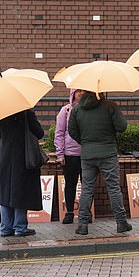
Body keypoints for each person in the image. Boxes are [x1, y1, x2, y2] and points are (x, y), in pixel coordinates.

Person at [69, 91, 132, 235]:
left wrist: (84, 142)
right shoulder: (110, 106)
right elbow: (122, 127)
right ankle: (121, 222)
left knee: (86, 189)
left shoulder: (77, 109)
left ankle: (83, 224)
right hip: (108, 153)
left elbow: (71, 130)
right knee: (113, 188)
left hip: (87, 154)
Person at [0, 109, 44, 237]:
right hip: (23, 156)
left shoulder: (0, 113)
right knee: (20, 190)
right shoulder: (26, 112)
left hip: (6, 156)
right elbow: (39, 133)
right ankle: (20, 227)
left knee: (6, 191)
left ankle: (6, 227)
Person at [54, 89, 85, 224]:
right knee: (70, 185)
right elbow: (59, 133)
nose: (81, 93)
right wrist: (60, 154)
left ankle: (86, 213)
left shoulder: (89, 110)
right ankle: (70, 212)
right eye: (78, 90)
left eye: (83, 90)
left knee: (87, 186)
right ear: (73, 93)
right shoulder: (65, 111)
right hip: (70, 154)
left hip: (86, 153)